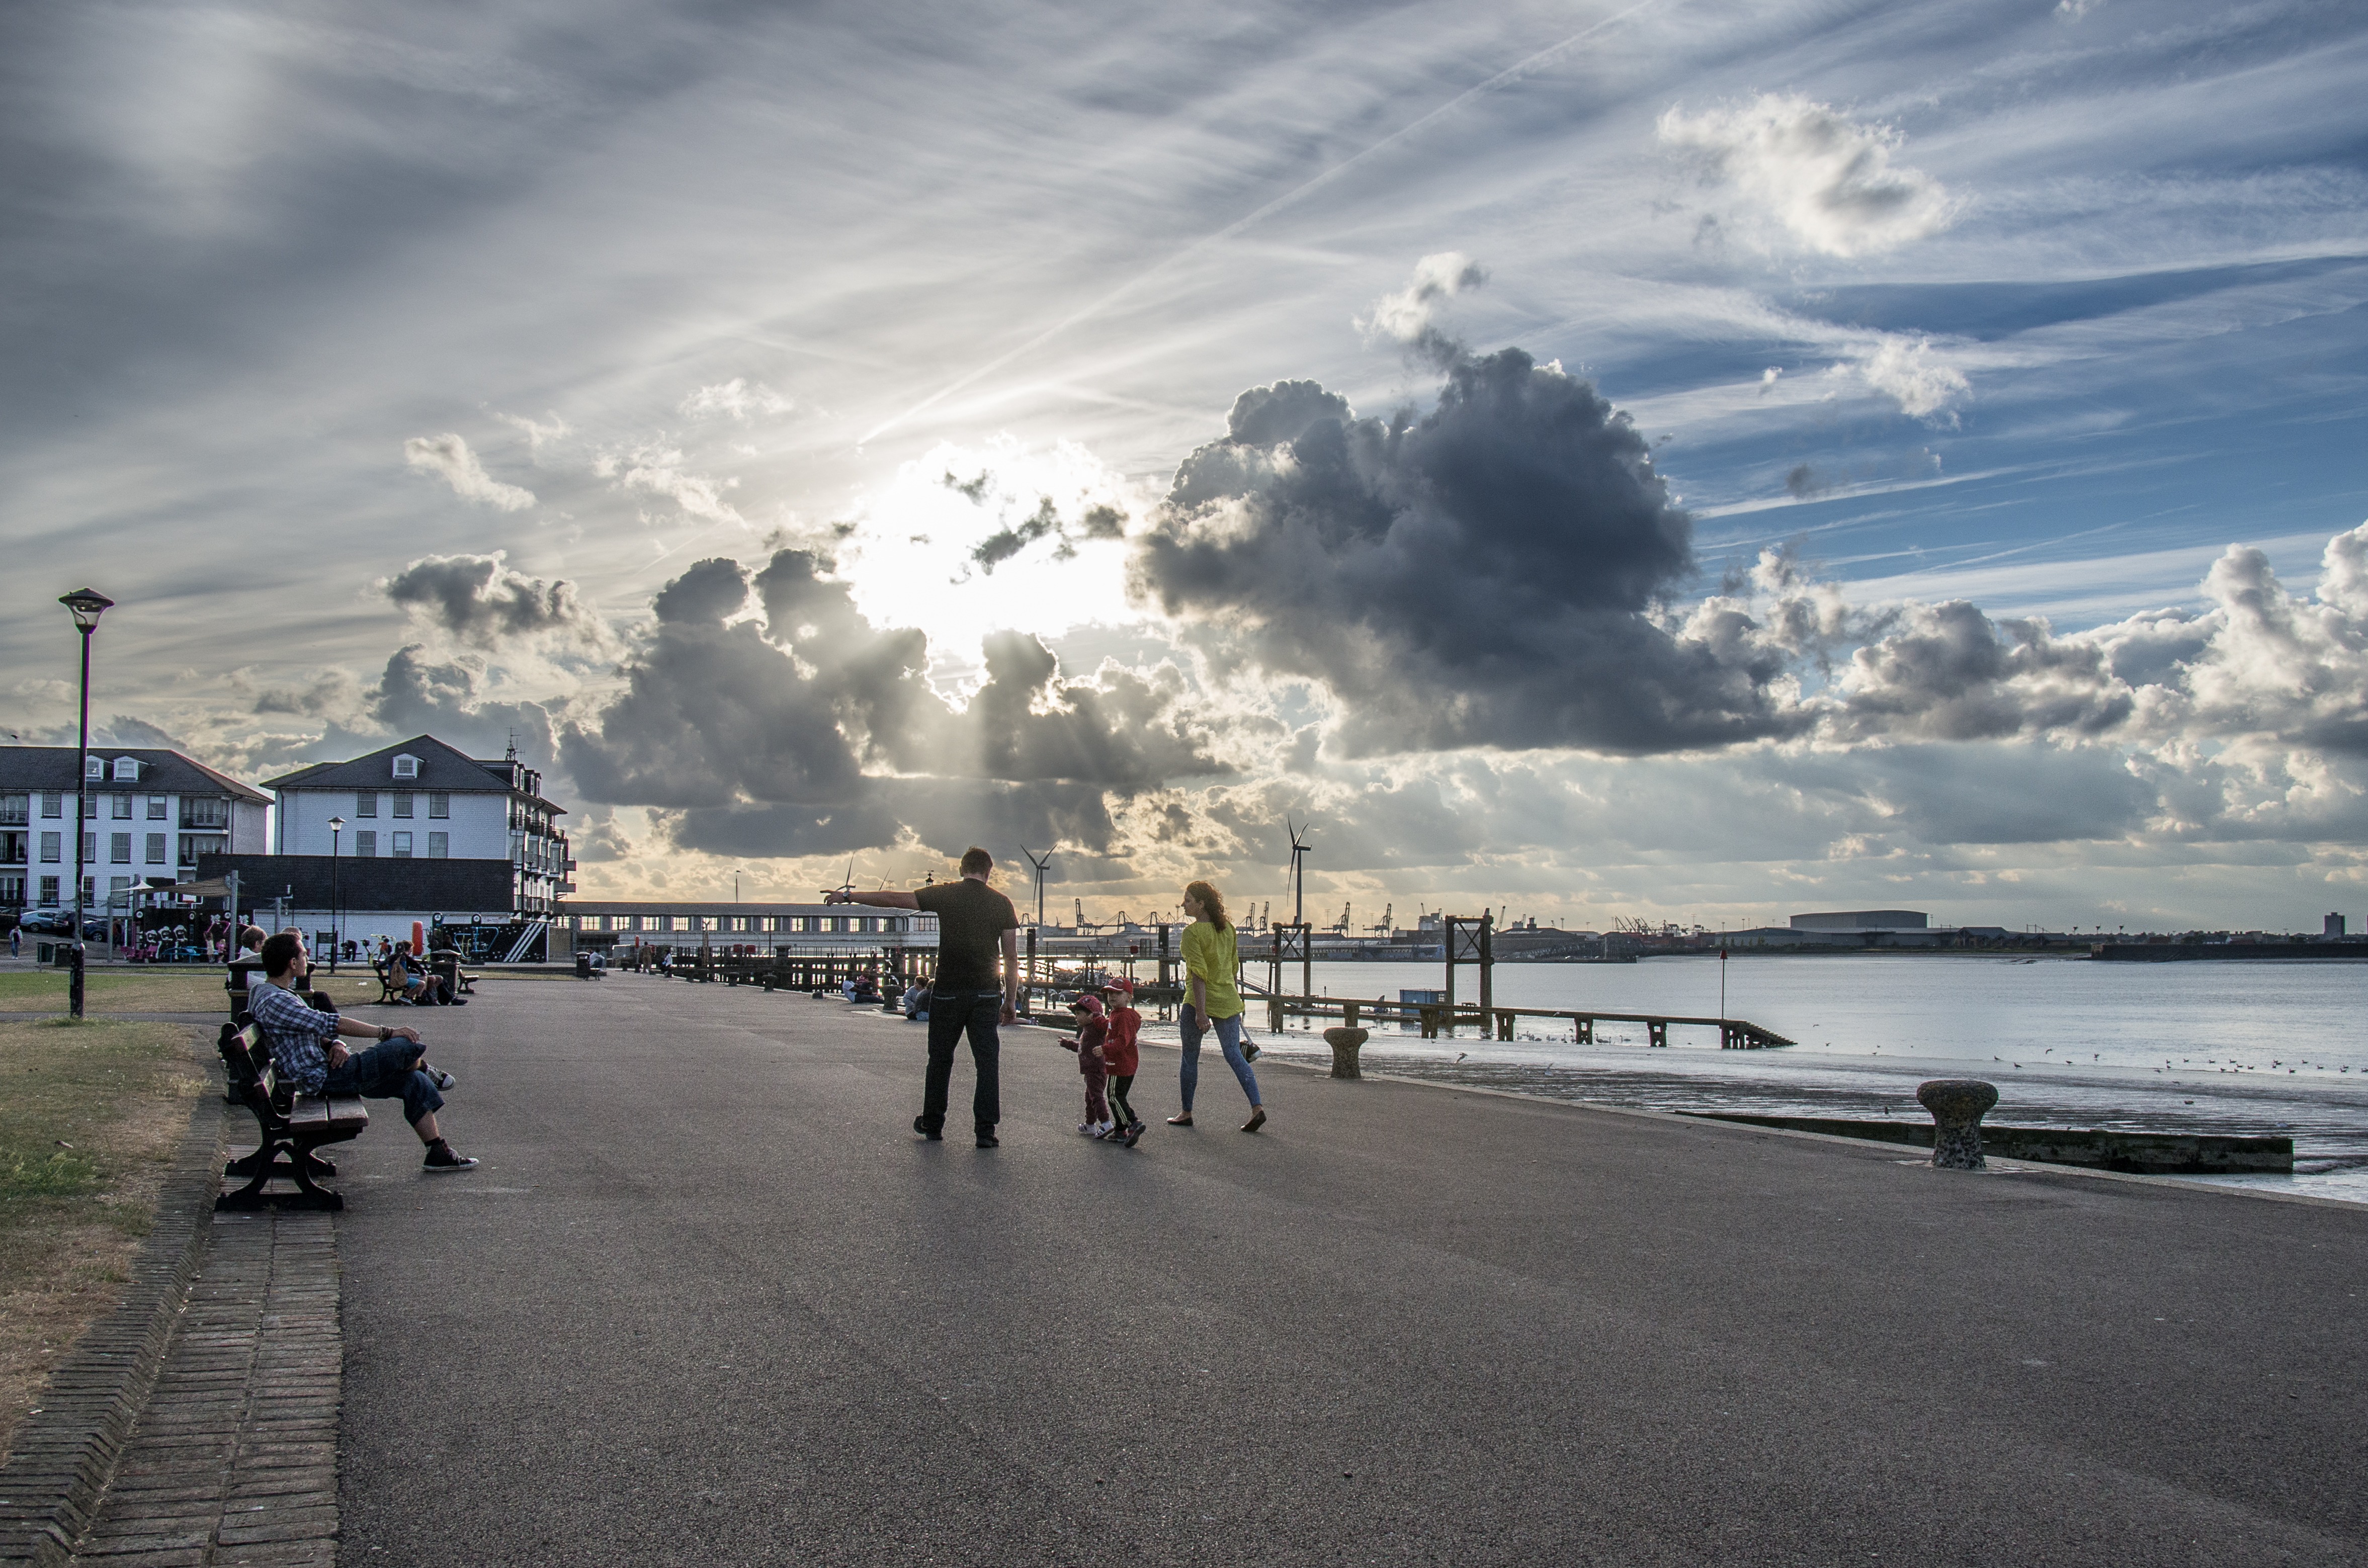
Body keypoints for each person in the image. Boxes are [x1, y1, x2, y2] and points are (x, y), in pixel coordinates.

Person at [828, 846, 1018, 1148]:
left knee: (940, 1060)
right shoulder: (1002, 903)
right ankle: (985, 1131)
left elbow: (893, 900)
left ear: (961, 869)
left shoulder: (946, 895)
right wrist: (1009, 1002)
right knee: (987, 1062)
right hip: (985, 993)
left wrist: (848, 897)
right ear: (989, 871)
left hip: (946, 993)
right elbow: (1011, 958)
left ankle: (933, 1123)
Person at [247, 931, 475, 1171]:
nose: (308, 957)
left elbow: (310, 1031)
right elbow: (334, 1023)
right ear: (293, 963)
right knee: (404, 1044)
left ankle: (437, 1152)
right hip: (324, 1079)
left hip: (328, 1072)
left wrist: (335, 1044)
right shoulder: (276, 1000)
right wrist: (386, 1031)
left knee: (413, 1082)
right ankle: (426, 1067)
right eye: (304, 954)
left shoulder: (271, 993)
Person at [1170, 880, 1264, 1133]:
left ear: (1202, 904)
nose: (1183, 905)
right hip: (1228, 1000)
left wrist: (1201, 1013)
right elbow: (1233, 970)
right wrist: (1235, 1003)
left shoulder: (1192, 934)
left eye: (1188, 900)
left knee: (1190, 1057)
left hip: (1197, 1002)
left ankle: (1186, 1112)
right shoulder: (1229, 930)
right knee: (1234, 1054)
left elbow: (1199, 975)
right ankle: (1257, 1108)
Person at [1058, 993, 1114, 1137]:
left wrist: (1097, 1017)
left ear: (1091, 1015)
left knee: (1096, 1097)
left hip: (1096, 1069)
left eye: (1079, 1014)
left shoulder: (1096, 1029)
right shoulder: (1087, 1031)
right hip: (1091, 1070)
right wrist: (1068, 1044)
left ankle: (1106, 1123)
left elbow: (1107, 1026)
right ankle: (1090, 1125)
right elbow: (1083, 1049)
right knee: (1090, 1098)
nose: (1076, 1017)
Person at [1101, 979, 1144, 1147]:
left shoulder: (1123, 1017)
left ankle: (1133, 1123)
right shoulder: (1119, 1015)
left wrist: (1105, 1049)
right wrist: (1097, 1020)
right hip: (1129, 1064)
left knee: (1113, 1096)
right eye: (1110, 993)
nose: (1112, 997)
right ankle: (1120, 1131)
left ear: (1129, 997)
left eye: (1118, 993)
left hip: (1118, 1064)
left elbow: (1122, 1040)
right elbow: (1109, 1025)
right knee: (1119, 1097)